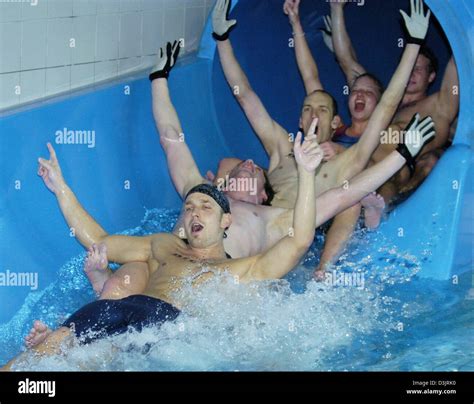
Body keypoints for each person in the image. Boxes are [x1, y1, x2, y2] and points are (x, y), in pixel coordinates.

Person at [84, 25, 435, 299]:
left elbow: (345, 194)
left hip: (210, 285)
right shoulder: (204, 197)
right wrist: (159, 79)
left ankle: (335, 257)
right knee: (121, 286)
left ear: (263, 195)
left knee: (352, 204)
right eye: (307, 109)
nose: (249, 164)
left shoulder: (275, 220)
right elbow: (172, 139)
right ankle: (105, 289)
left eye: (252, 170)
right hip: (169, 263)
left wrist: (404, 153)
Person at [2, 124, 323, 370]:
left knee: (94, 357)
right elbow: (98, 240)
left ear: (226, 222)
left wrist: (307, 174)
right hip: (120, 309)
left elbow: (299, 241)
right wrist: (61, 188)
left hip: (168, 329)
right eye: (189, 207)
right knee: (48, 351)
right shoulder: (162, 246)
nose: (194, 211)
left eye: (206, 207)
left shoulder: (237, 270)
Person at [211, 0, 431, 278]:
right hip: (251, 229)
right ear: (300, 121)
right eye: (307, 109)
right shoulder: (281, 147)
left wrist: (412, 45)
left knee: (352, 199)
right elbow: (245, 95)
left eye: (322, 109)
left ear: (335, 123)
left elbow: (386, 105)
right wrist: (221, 39)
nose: (313, 113)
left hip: (293, 240)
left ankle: (324, 270)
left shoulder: (347, 160)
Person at [322, 0, 459, 219]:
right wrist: (337, 8)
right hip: (364, 161)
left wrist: (461, 18)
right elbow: (348, 62)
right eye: (409, 66)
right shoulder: (385, 100)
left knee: (392, 174)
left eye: (418, 69)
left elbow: (457, 64)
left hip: (400, 170)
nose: (411, 73)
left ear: (432, 76)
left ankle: (379, 207)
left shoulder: (438, 105)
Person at [284, 0, 384, 157]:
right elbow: (310, 76)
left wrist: (341, 152)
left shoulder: (383, 138)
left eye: (368, 92)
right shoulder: (335, 130)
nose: (359, 94)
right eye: (356, 90)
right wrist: (295, 22)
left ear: (381, 103)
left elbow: (384, 170)